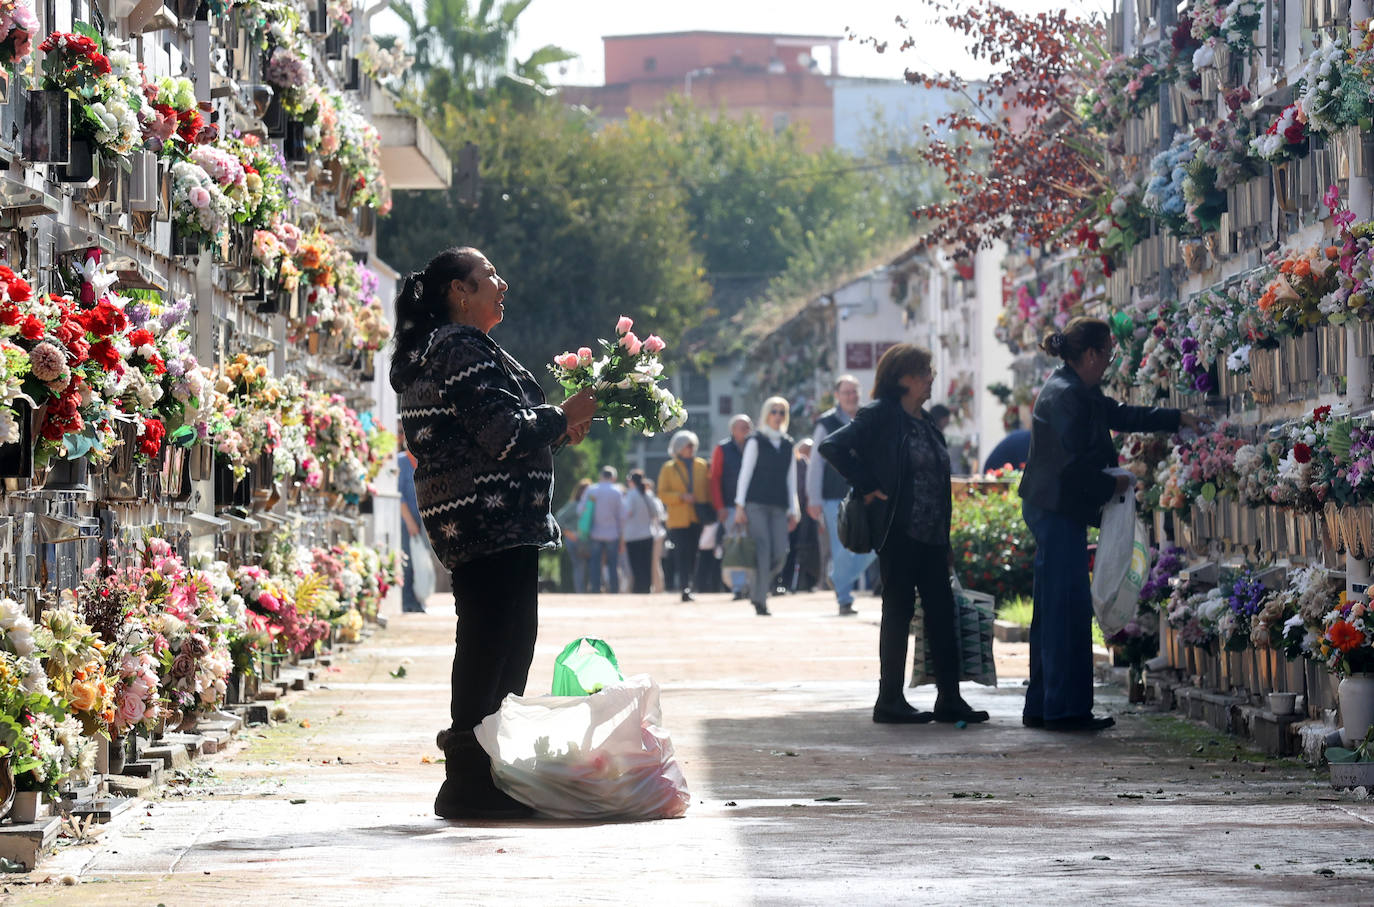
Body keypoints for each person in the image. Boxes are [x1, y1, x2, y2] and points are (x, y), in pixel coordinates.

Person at [390, 246, 596, 819]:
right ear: (460, 291)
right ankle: (469, 780)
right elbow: (502, 433)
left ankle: (485, 773)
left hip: (494, 518)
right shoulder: (457, 347)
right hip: (486, 519)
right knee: (491, 643)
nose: (501, 284)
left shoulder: (463, 346)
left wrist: (555, 430)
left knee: (506, 640)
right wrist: (564, 413)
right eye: (489, 277)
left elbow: (493, 432)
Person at [1019, 317, 1198, 733]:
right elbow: (1069, 465)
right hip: (1056, 507)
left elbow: (1117, 413)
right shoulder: (1067, 395)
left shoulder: (1071, 387)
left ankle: (1044, 705)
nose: (1110, 363)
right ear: (1091, 354)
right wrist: (1111, 480)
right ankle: (1066, 711)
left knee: (1053, 609)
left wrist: (1175, 418)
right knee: (1068, 610)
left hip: (1052, 506)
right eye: (1109, 354)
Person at [819, 344, 988, 726]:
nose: (931, 378)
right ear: (903, 379)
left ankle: (950, 699)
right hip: (899, 531)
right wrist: (865, 485)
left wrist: (945, 542)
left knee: (942, 615)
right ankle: (889, 700)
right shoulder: (881, 414)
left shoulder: (925, 421)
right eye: (924, 372)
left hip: (931, 537)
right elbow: (832, 446)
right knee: (898, 612)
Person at [808, 375, 875, 616]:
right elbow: (816, 464)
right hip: (832, 496)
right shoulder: (825, 423)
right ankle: (844, 598)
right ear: (837, 396)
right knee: (841, 547)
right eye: (846, 392)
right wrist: (813, 498)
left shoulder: (867, 418)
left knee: (872, 546)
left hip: (865, 493)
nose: (851, 396)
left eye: (854, 392)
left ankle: (837, 578)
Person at [734, 397, 800, 616]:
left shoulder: (789, 443)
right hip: (756, 504)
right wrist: (740, 505)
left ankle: (756, 589)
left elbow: (791, 479)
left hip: (780, 505)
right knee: (762, 551)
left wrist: (795, 508)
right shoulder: (755, 440)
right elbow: (745, 473)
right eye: (774, 411)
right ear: (766, 414)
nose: (778, 416)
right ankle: (760, 600)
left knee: (780, 553)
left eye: (782, 412)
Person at [658, 431, 711, 602]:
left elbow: (708, 489)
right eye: (688, 446)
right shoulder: (668, 468)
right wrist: (680, 497)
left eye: (693, 445)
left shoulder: (702, 465)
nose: (691, 449)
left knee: (694, 552)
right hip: (678, 519)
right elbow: (662, 494)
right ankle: (684, 586)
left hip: (697, 517)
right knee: (681, 553)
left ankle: (690, 584)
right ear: (679, 448)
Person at [710, 415, 754, 600]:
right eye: (740, 427)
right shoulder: (722, 449)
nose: (745, 430)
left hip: (754, 505)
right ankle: (737, 586)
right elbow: (714, 479)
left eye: (747, 426)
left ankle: (752, 585)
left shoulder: (755, 446)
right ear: (732, 430)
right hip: (729, 506)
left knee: (752, 545)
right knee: (736, 545)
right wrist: (720, 507)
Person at [397, 431, 428, 614]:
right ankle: (408, 601)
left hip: (423, 520)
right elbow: (399, 494)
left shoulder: (422, 462)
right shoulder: (401, 461)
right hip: (407, 520)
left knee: (420, 562)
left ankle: (418, 600)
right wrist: (409, 521)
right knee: (408, 561)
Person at [786, 438, 821, 593]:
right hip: (790, 513)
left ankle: (806, 582)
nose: (808, 455)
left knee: (807, 550)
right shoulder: (789, 464)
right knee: (789, 549)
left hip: (807, 516)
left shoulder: (808, 466)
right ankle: (784, 583)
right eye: (806, 451)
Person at [584, 466, 624, 593]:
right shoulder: (617, 492)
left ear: (600, 476)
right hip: (612, 533)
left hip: (595, 532)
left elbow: (581, 510)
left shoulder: (592, 490)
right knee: (613, 564)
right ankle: (614, 589)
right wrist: (621, 535)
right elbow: (622, 516)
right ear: (613, 478)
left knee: (595, 563)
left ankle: (595, 589)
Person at [622, 469, 658, 594]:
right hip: (648, 534)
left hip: (633, 535)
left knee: (636, 565)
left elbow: (628, 513)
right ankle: (647, 587)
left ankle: (638, 589)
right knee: (647, 564)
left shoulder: (631, 495)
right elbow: (655, 513)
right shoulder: (648, 494)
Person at [554, 478, 592, 593]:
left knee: (586, 567)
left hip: (585, 540)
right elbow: (559, 518)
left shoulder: (590, 505)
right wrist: (568, 533)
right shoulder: (574, 504)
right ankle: (581, 593)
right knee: (579, 566)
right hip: (574, 539)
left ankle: (585, 592)